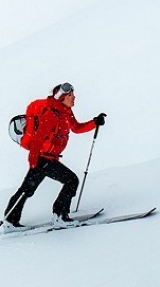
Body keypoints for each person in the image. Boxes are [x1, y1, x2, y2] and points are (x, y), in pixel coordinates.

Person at [6, 83, 105, 225]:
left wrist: (94, 122)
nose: (74, 97)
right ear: (62, 98)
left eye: (73, 94)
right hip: (43, 159)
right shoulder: (51, 115)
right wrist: (35, 160)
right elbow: (38, 139)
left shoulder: (65, 112)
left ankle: (10, 220)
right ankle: (60, 216)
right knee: (71, 181)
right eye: (70, 95)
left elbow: (76, 128)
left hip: (45, 159)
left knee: (27, 189)